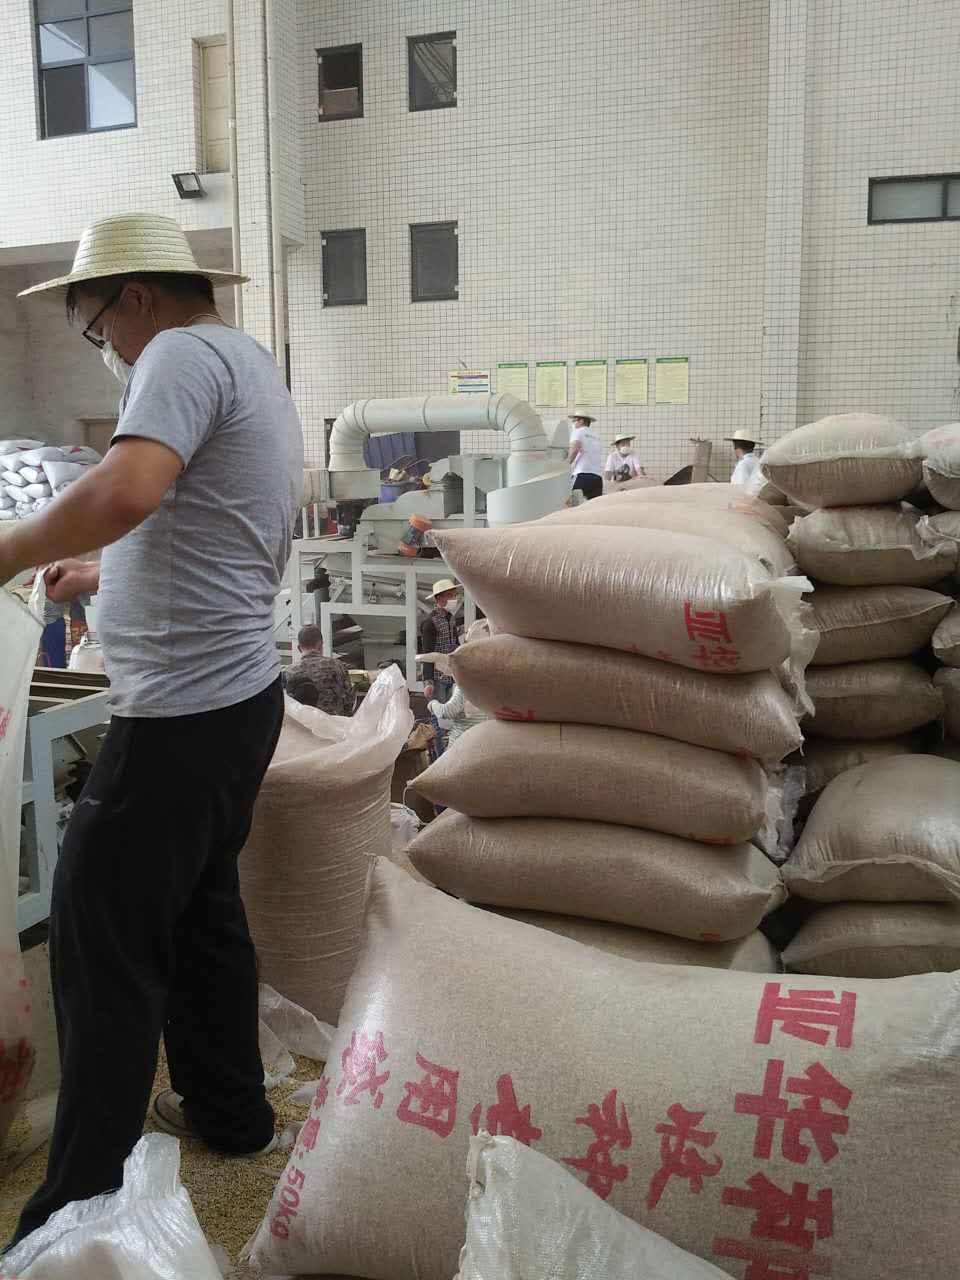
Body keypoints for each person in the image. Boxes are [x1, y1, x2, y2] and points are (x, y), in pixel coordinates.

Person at [0, 211, 304, 1249]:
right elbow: (201, 516)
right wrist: (100, 569)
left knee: (101, 936)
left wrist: (8, 549)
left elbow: (129, 489)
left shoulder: (173, 353)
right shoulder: (244, 358)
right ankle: (232, 1112)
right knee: (202, 917)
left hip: (178, 711)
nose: (107, 345)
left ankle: (74, 1211)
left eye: (96, 326)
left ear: (132, 296)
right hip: (237, 702)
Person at [283, 623, 355, 715]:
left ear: (299, 648)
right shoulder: (337, 666)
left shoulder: (289, 672)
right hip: (332, 722)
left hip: (303, 722)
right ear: (321, 645)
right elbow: (349, 700)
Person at [420, 578, 460, 704]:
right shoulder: (430, 623)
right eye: (450, 595)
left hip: (450, 676)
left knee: (447, 712)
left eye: (454, 595)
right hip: (437, 678)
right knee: (438, 713)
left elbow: (456, 644)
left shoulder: (451, 619)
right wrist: (428, 682)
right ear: (439, 598)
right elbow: (427, 654)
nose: (454, 599)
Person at [426, 681, 487, 746]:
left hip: (461, 742)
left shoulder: (464, 686)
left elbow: (447, 711)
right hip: (479, 739)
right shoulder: (486, 686)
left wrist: (432, 704)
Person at [567, 413, 604, 500]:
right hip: (597, 476)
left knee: (573, 502)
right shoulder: (596, 436)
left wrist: (565, 465)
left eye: (574, 421)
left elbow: (574, 450)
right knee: (593, 505)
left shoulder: (578, 432)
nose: (573, 423)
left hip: (582, 473)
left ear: (581, 421)